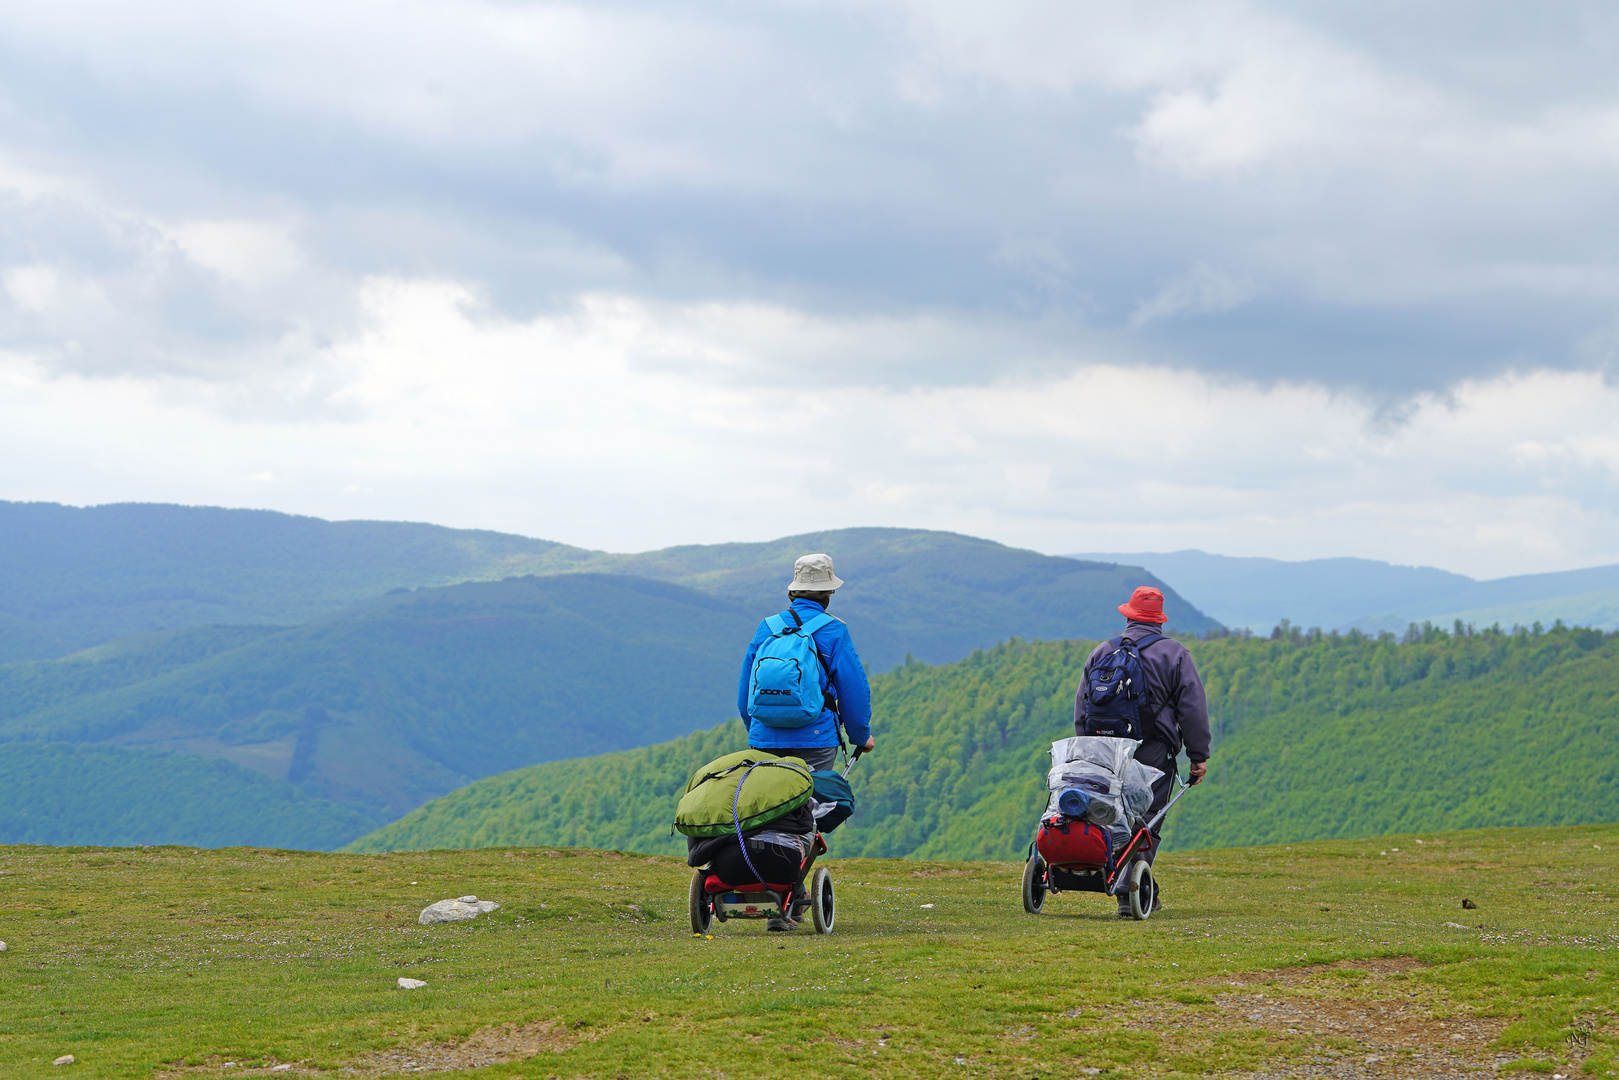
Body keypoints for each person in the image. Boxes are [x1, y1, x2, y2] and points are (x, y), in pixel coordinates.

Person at [1074, 585, 1209, 915]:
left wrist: (1087, 748)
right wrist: (1198, 756)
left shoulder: (1102, 651)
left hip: (1104, 749)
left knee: (1107, 811)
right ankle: (1127, 888)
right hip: (1153, 751)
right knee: (1146, 819)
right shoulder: (1175, 655)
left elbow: (1083, 705)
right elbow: (1192, 709)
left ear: (1129, 615)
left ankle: (1090, 867)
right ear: (1159, 621)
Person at [737, 553, 875, 773]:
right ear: (829, 592)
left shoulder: (767, 627)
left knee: (770, 805)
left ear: (792, 592)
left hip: (765, 740)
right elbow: (852, 689)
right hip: (816, 738)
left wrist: (757, 731)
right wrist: (860, 736)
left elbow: (746, 690)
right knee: (814, 804)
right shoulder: (834, 630)